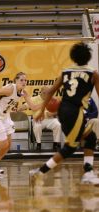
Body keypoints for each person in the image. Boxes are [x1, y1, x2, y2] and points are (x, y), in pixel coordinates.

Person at [29, 42, 99, 185]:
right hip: (75, 112)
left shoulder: (65, 72)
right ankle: (41, 171)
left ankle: (88, 172)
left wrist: (42, 110)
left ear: (73, 58)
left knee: (90, 137)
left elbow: (49, 92)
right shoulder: (93, 73)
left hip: (63, 110)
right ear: (89, 57)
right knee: (70, 147)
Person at [18, 86, 62, 152]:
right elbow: (26, 105)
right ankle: (38, 144)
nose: (47, 95)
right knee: (37, 126)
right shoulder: (35, 99)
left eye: (48, 93)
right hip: (38, 119)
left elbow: (59, 110)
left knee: (58, 125)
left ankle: (56, 144)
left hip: (50, 119)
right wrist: (20, 108)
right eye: (45, 93)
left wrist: (52, 114)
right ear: (41, 92)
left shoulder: (53, 99)